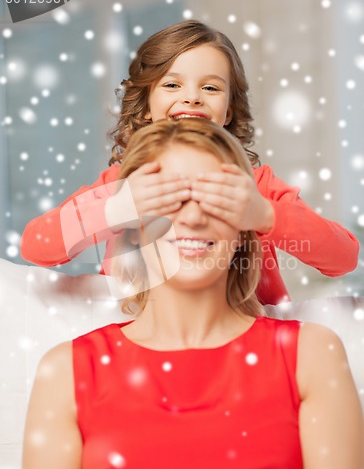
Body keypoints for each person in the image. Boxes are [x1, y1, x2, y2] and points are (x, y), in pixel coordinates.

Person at [22, 119, 363, 469]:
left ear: (245, 227)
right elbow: (38, 242)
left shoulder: (313, 356)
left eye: (215, 200)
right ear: (130, 226)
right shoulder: (65, 373)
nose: (193, 216)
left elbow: (341, 253)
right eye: (168, 200)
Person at [20, 20, 359, 305]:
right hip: (141, 346)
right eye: (172, 84)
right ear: (147, 105)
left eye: (210, 87)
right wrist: (115, 208)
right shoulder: (121, 183)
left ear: (228, 111)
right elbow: (36, 246)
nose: (192, 96)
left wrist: (265, 214)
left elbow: (343, 257)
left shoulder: (255, 186)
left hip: (245, 345)